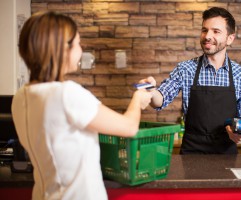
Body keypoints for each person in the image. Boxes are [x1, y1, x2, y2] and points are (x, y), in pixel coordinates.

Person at [11, 11, 152, 200]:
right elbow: (129, 127)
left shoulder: (21, 97)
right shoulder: (66, 94)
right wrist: (137, 99)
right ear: (62, 49)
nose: (80, 49)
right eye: (77, 43)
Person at [140, 7, 241, 154]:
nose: (207, 36)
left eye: (216, 31)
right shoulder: (185, 69)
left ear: (230, 38)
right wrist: (151, 90)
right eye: (204, 30)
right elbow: (159, 100)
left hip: (226, 154)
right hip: (191, 152)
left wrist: (240, 132)